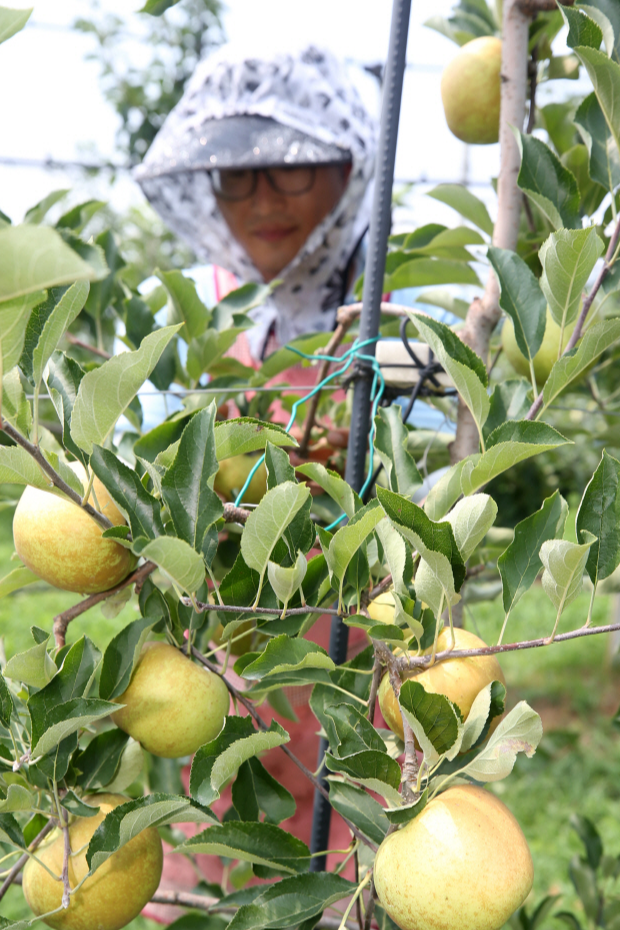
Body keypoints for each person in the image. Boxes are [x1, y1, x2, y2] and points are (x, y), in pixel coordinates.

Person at [135, 42, 377, 360]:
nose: (264, 204)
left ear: (346, 171)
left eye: (290, 168)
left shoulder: (417, 319)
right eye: (235, 174)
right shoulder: (170, 319)